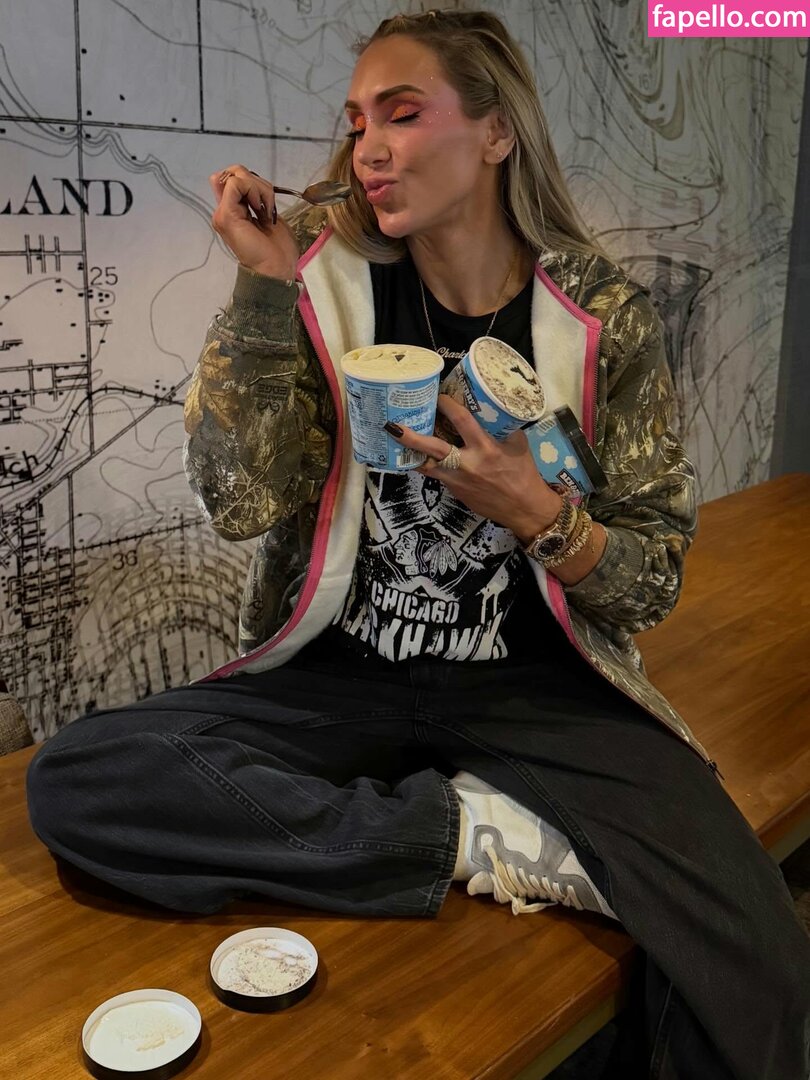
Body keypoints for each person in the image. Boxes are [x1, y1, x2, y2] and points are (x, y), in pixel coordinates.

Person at [26, 10, 810, 1079]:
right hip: (341, 675)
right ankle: (470, 835)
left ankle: (459, 836)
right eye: (358, 123)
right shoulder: (321, 289)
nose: (370, 148)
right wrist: (264, 284)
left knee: (754, 961)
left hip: (537, 684)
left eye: (402, 113)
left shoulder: (601, 319)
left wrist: (539, 514)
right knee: (82, 780)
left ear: (496, 132)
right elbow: (241, 502)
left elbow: (651, 583)